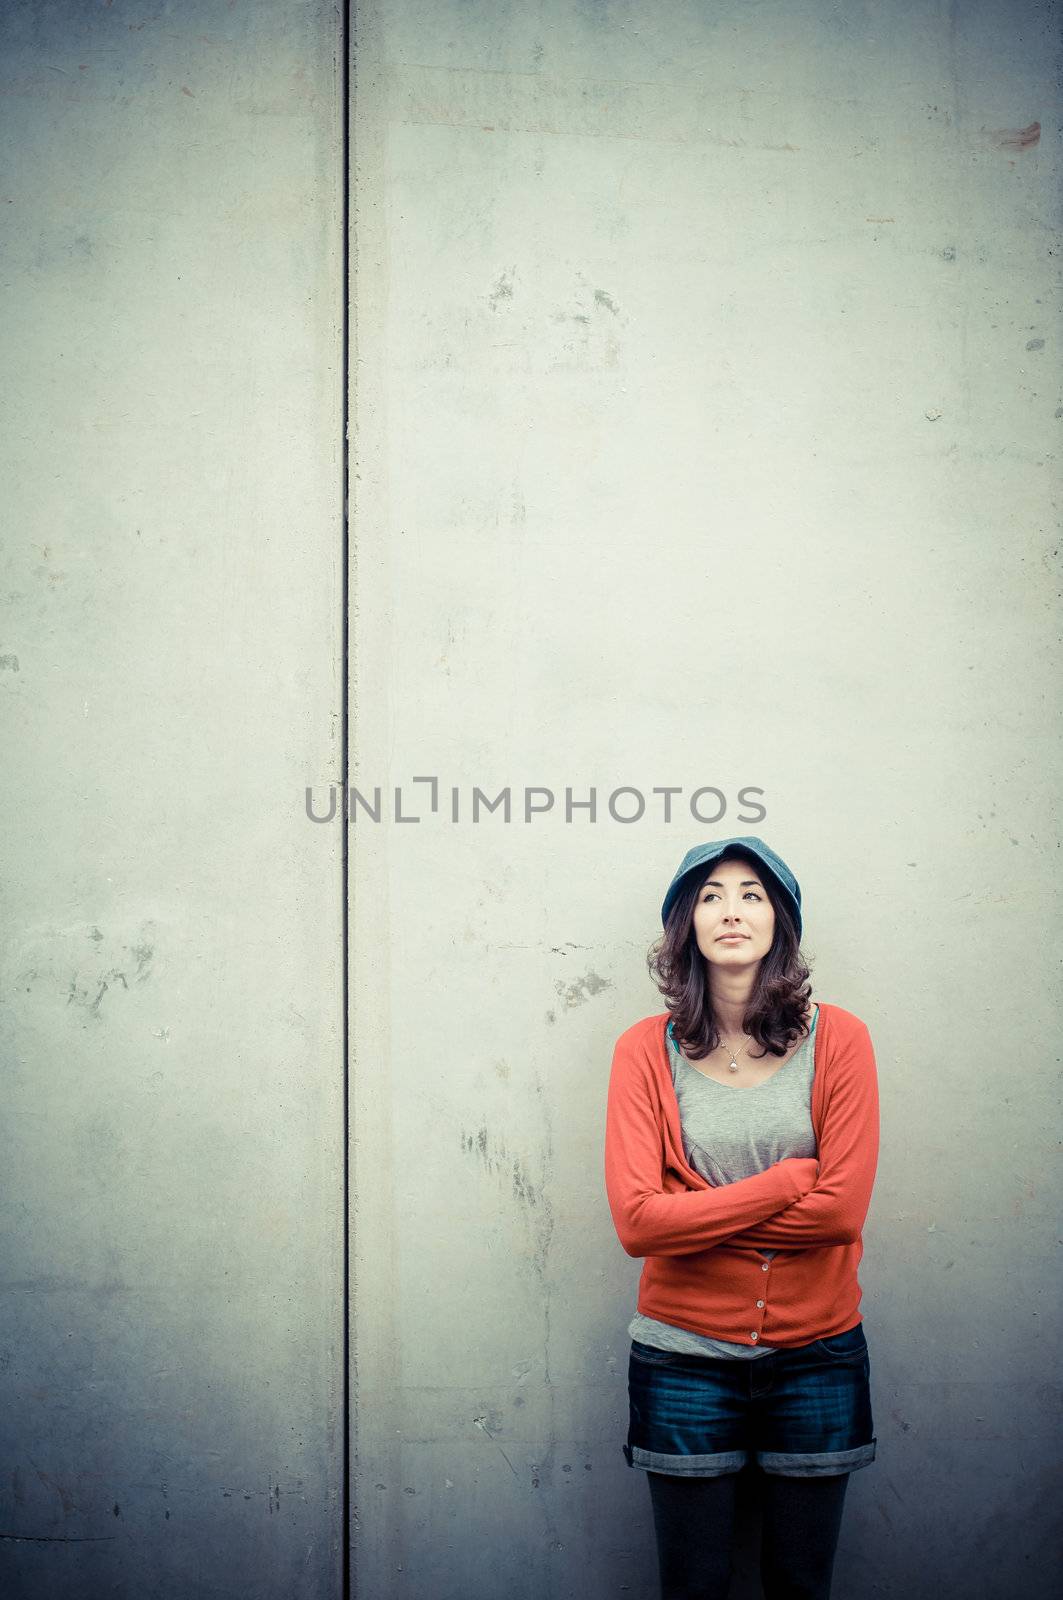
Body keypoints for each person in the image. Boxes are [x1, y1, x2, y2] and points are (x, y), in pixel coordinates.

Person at [604, 836, 880, 1600]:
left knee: (800, 1584)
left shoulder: (841, 1040)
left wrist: (691, 1213)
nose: (732, 910)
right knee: (692, 1584)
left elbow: (840, 1212)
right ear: (684, 924)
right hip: (681, 1358)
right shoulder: (641, 1051)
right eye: (712, 895)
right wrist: (786, 1181)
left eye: (752, 893)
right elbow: (636, 1224)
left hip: (817, 1353)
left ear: (779, 922)